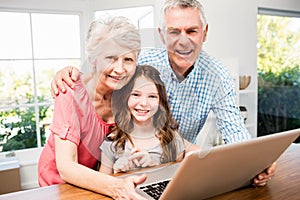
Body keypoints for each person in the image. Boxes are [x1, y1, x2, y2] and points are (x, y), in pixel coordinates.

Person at [50, 0, 275, 186]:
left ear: (204, 33)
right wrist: (71, 72)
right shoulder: (140, 66)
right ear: (161, 34)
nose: (183, 41)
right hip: (83, 179)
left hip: (168, 169)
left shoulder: (217, 76)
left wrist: (254, 163)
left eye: (191, 31)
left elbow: (233, 131)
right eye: (174, 31)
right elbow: (106, 65)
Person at [38, 16, 148, 200]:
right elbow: (66, 167)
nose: (120, 69)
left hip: (98, 181)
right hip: (57, 186)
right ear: (93, 59)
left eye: (128, 59)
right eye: (110, 58)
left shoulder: (127, 94)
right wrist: (116, 187)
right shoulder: (70, 89)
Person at [99, 65, 199, 174]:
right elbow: (101, 184)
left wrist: (154, 166)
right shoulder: (112, 142)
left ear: (160, 101)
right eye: (136, 94)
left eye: (152, 96)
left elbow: (178, 179)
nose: (143, 103)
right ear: (125, 97)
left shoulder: (172, 138)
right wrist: (117, 173)